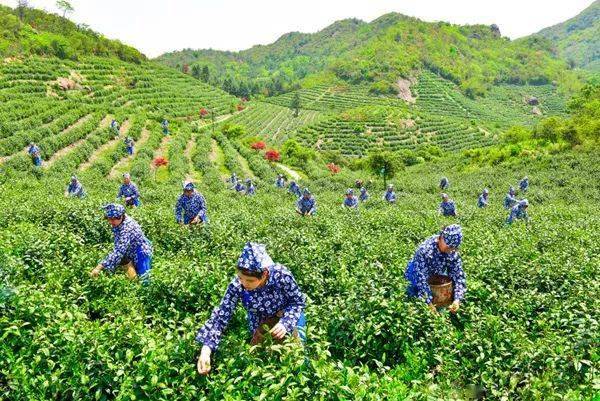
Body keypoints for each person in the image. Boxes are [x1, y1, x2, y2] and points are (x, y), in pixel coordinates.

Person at [195, 242, 306, 375]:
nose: (244, 284)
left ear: (264, 274)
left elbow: (298, 301)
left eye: (250, 281)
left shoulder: (281, 275)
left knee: (296, 353)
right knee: (262, 357)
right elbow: (221, 315)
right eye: (241, 278)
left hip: (288, 315)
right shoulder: (237, 285)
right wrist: (206, 350)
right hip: (260, 320)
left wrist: (285, 323)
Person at [404, 224, 466, 313]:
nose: (451, 250)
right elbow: (421, 279)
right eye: (449, 246)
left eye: (454, 248)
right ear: (441, 238)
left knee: (439, 303)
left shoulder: (452, 252)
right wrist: (428, 304)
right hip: (415, 274)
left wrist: (457, 299)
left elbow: (458, 274)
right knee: (414, 304)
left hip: (436, 273)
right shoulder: (425, 250)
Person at [90, 204, 153, 284]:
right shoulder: (120, 221)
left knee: (145, 279)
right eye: (108, 219)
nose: (110, 222)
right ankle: (134, 285)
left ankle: (146, 294)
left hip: (141, 252)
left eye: (113, 219)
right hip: (131, 248)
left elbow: (119, 251)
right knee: (131, 274)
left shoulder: (127, 228)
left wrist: (99, 267)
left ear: (121, 216)